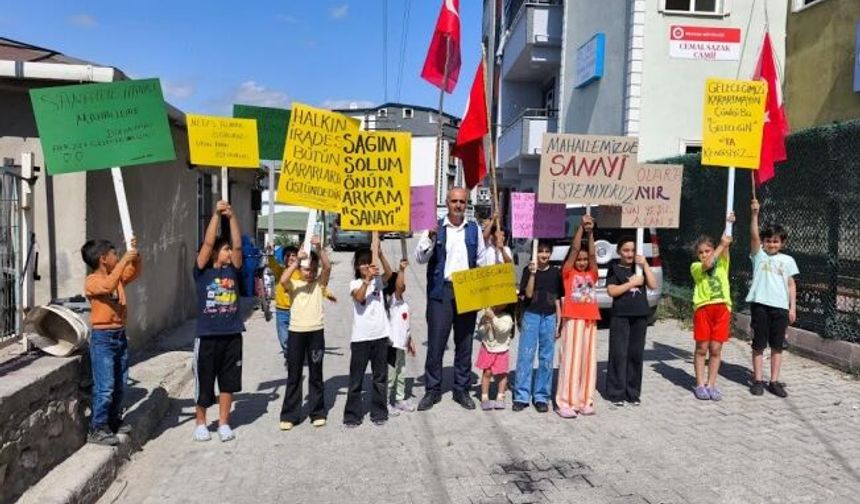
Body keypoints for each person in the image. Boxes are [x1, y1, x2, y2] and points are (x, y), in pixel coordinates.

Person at [414, 187, 487, 411]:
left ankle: (461, 389)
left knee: (464, 343)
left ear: (467, 204)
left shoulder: (474, 230)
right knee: (436, 342)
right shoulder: (436, 228)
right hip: (441, 291)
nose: (458, 205)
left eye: (462, 202)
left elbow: (482, 261)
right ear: (447, 202)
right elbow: (419, 258)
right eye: (454, 201)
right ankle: (432, 390)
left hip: (467, 290)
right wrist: (430, 237)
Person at [81, 237, 141, 446]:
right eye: (114, 254)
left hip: (119, 335)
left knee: (120, 383)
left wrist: (135, 254)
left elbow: (133, 272)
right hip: (103, 339)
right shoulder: (92, 281)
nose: (118, 257)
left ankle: (113, 420)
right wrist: (125, 260)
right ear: (103, 259)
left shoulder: (117, 277)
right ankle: (97, 427)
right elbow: (107, 287)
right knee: (105, 386)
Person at [192, 201, 244, 442]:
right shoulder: (202, 272)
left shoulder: (233, 271)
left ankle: (224, 423)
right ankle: (201, 423)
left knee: (228, 382)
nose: (228, 252)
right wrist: (215, 214)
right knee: (204, 382)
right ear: (214, 253)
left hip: (232, 335)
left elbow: (238, 244)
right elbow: (208, 243)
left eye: (228, 250)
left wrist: (232, 217)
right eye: (224, 250)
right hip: (208, 336)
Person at [747, 199, 799, 398]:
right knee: (759, 344)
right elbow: (753, 236)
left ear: (782, 243)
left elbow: (791, 284)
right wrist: (754, 215)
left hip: (780, 308)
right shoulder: (758, 256)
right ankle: (758, 380)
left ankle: (774, 381)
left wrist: (792, 307)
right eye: (768, 240)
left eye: (776, 241)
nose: (771, 244)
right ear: (763, 242)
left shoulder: (788, 260)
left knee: (777, 346)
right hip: (760, 306)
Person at [279, 236, 332, 430]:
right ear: (301, 269)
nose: (309, 273)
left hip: (316, 333)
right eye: (306, 269)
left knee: (316, 374)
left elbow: (327, 267)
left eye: (312, 269)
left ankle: (317, 412)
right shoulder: (294, 285)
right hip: (296, 333)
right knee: (294, 374)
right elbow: (283, 280)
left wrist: (318, 249)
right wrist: (296, 262)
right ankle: (290, 414)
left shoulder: (319, 285)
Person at [344, 233, 393, 427]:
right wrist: (366, 280)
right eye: (362, 263)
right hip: (361, 339)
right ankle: (352, 415)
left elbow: (390, 274)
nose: (365, 265)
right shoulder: (355, 283)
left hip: (380, 336)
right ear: (357, 267)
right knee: (356, 380)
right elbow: (359, 298)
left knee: (380, 378)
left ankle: (379, 412)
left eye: (368, 262)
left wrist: (379, 255)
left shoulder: (379, 282)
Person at [605, 236, 657, 406]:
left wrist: (645, 265)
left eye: (633, 250)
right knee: (619, 354)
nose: (629, 254)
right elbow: (612, 291)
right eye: (626, 250)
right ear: (619, 251)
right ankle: (616, 393)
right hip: (620, 316)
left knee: (635, 354)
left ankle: (633, 392)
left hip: (640, 315)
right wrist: (632, 283)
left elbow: (653, 285)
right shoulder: (614, 268)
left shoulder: (639, 268)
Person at [557, 215, 600, 418]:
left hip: (590, 322)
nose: (582, 262)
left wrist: (591, 234)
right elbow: (574, 251)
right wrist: (581, 229)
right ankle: (565, 402)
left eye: (584, 260)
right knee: (570, 361)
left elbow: (592, 256)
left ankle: (585, 400)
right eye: (579, 260)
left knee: (587, 362)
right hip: (572, 320)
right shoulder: (568, 272)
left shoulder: (592, 274)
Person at [514, 239, 563, 413]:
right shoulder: (528, 270)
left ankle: (542, 396)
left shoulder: (556, 273)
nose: (543, 254)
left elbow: (557, 298)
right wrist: (533, 274)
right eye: (540, 251)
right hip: (531, 315)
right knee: (525, 356)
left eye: (546, 251)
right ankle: (521, 395)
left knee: (546, 358)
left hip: (549, 317)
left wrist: (559, 321)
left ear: (551, 253)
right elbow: (527, 294)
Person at [690, 213, 735, 401]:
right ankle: (699, 384)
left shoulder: (723, 262)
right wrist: (721, 245)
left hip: (721, 309)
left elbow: (726, 242)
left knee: (716, 349)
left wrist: (729, 224)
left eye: (707, 250)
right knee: (702, 347)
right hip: (703, 309)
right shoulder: (696, 267)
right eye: (700, 252)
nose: (704, 255)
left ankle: (711, 384)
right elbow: (709, 263)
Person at [383, 253, 417, 415]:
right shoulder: (393, 301)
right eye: (400, 283)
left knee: (402, 372)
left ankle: (400, 398)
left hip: (402, 344)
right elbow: (397, 287)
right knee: (390, 375)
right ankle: (386, 401)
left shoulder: (403, 303)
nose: (403, 286)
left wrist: (410, 340)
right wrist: (401, 270)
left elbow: (406, 325)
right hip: (392, 344)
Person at [474, 304, 514, 411]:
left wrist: (493, 318)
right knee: (487, 372)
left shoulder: (507, 317)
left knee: (502, 374)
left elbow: (502, 329)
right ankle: (484, 396)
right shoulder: (486, 316)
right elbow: (480, 330)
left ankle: (500, 396)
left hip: (501, 349)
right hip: (488, 348)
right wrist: (485, 327)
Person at [268, 246, 299, 364]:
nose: (290, 257)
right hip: (281, 310)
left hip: (296, 310)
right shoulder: (280, 271)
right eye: (288, 255)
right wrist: (270, 253)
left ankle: (294, 357)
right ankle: (288, 354)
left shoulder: (300, 273)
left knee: (296, 337)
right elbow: (272, 264)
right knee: (283, 337)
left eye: (293, 255)